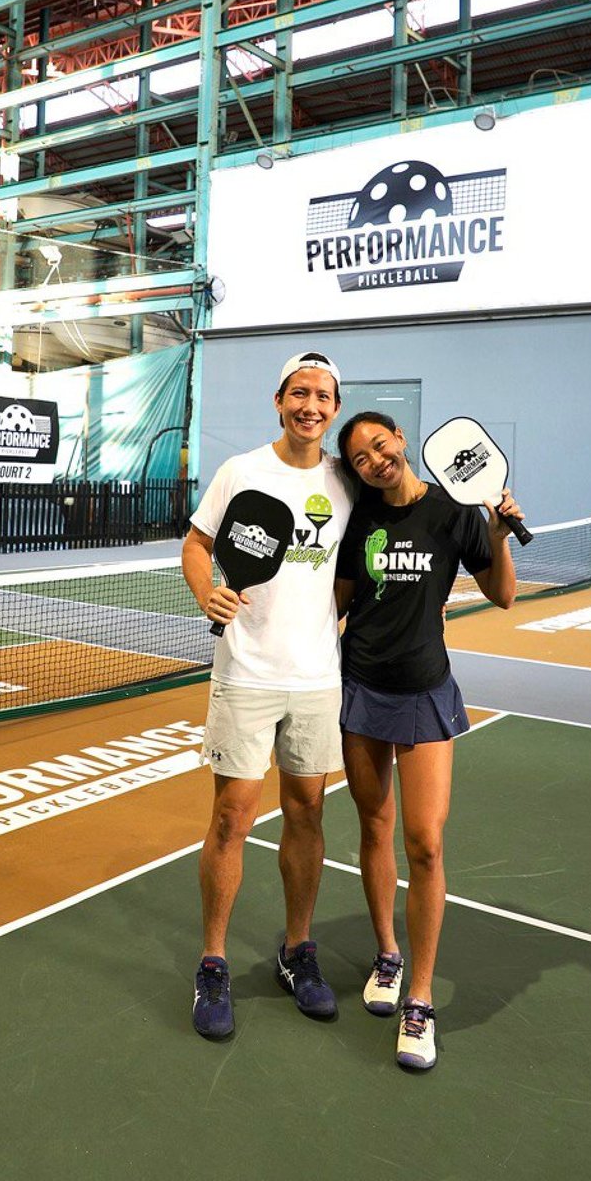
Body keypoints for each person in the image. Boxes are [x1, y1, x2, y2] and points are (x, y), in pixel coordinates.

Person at [333, 411, 522, 1072]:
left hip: (424, 691)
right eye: (360, 457)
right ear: (355, 470)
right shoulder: (359, 521)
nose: (376, 459)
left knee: (427, 843)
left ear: (401, 442)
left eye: (381, 445)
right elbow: (338, 601)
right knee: (374, 823)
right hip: (361, 688)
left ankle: (420, 998)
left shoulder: (453, 510)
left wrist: (497, 536)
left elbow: (502, 595)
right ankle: (388, 954)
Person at [182, 352, 353, 1040]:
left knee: (307, 812)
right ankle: (213, 963)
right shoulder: (242, 472)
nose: (311, 405)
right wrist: (207, 589)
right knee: (232, 816)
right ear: (278, 400)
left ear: (336, 408)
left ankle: (297, 951)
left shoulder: (348, 482)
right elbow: (196, 545)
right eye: (299, 393)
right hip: (246, 671)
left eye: (323, 395)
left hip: (317, 676)